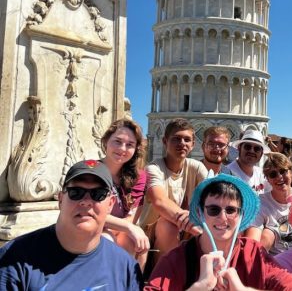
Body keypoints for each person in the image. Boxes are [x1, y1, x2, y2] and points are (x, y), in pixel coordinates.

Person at [145, 174, 292, 291]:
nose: (223, 217)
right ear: (200, 213)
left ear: (241, 215)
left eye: (231, 210)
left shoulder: (253, 254)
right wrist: (199, 287)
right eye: (213, 209)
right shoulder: (177, 260)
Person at [0, 160, 142, 289]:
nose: (86, 201)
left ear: (110, 204)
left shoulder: (125, 267)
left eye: (98, 194)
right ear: (61, 200)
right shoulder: (14, 258)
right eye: (76, 192)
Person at [138, 119, 208, 270]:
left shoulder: (196, 167)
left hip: (185, 230)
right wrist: (192, 224)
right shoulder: (153, 168)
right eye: (176, 139)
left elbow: (211, 195)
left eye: (187, 139)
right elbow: (159, 201)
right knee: (168, 225)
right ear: (165, 141)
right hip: (151, 232)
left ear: (193, 144)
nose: (182, 143)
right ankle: (162, 278)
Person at [100, 118, 149, 268]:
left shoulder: (139, 177)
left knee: (135, 241)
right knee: (106, 239)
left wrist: (128, 228)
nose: (122, 148)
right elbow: (91, 214)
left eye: (130, 145)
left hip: (119, 230)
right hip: (94, 229)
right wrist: (128, 228)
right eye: (117, 141)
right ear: (106, 141)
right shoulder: (91, 171)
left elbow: (131, 217)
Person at [246, 153, 292, 254]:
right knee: (267, 234)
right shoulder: (260, 203)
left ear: (291, 173)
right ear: (267, 179)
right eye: (273, 174)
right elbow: (253, 241)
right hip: (276, 261)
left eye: (283, 171)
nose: (279, 177)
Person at [227, 129, 271, 194]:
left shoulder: (261, 174)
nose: (252, 151)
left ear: (261, 153)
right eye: (247, 147)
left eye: (257, 149)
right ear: (239, 148)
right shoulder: (227, 174)